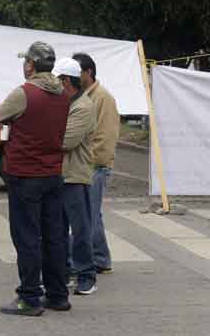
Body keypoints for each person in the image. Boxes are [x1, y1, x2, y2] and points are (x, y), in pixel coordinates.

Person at [0, 41, 71, 317]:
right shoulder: (62, 93)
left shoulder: (25, 92)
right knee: (54, 237)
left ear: (30, 65)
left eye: (26, 62)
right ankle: (58, 295)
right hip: (53, 173)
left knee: (27, 238)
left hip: (25, 175)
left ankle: (29, 297)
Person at [54, 57, 99, 297]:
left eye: (58, 79)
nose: (55, 84)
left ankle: (87, 275)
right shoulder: (64, 103)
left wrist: (43, 136)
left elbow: (65, 141)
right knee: (57, 229)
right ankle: (63, 272)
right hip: (59, 174)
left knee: (80, 228)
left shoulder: (83, 107)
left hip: (75, 175)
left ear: (67, 80)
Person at [74, 52, 120, 277]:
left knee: (86, 216)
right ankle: (101, 258)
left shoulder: (102, 98)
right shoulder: (84, 96)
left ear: (88, 72)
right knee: (92, 214)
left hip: (94, 166)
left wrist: (89, 164)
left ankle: (78, 263)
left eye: (77, 71)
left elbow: (105, 137)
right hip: (86, 165)